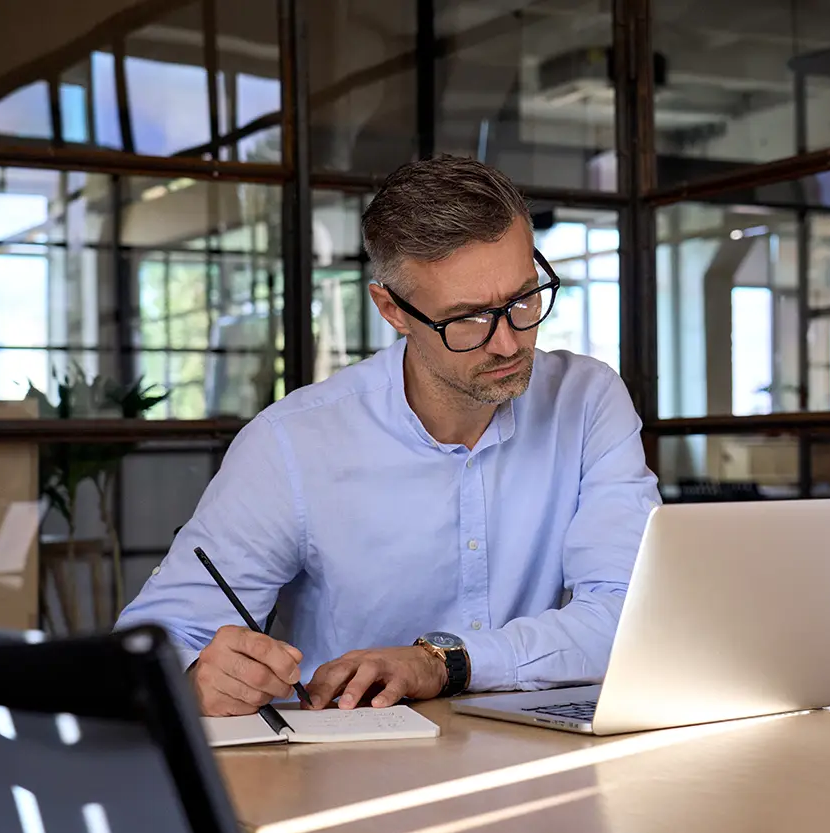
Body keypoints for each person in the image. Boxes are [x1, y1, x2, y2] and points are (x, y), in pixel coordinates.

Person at [115, 155, 661, 717]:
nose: (507, 343)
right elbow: (151, 642)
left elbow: (630, 613)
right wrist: (195, 674)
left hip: (544, 757)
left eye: (523, 299)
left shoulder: (587, 398)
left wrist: (442, 662)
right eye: (468, 318)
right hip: (351, 768)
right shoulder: (294, 444)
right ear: (392, 310)